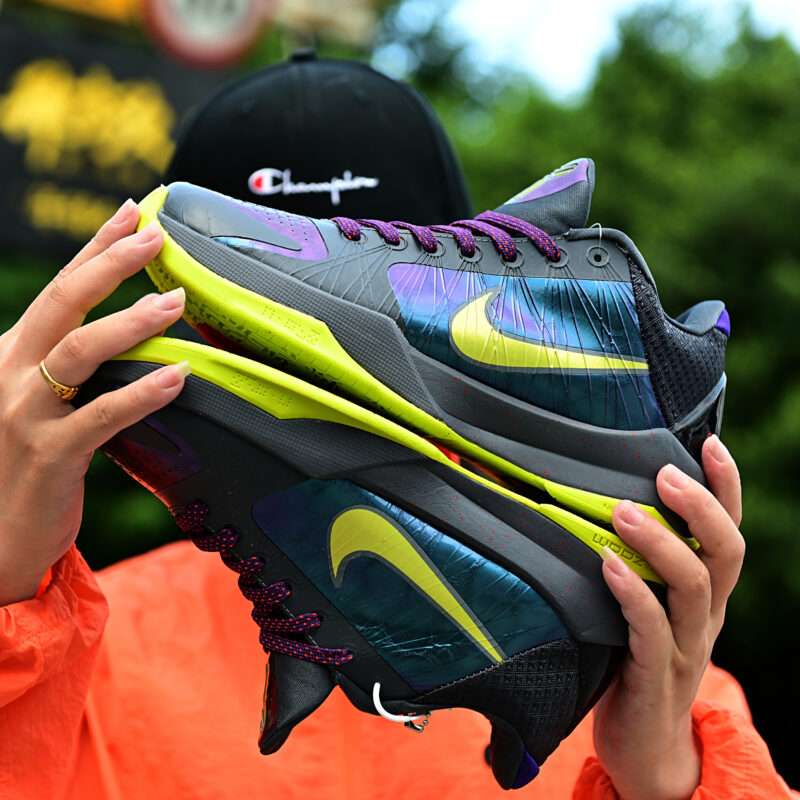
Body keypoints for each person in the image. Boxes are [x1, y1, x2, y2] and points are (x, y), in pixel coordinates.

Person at [0, 55, 795, 800]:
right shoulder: (67, 650)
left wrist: (658, 774)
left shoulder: (659, 688)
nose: (322, 373)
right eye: (262, 333)